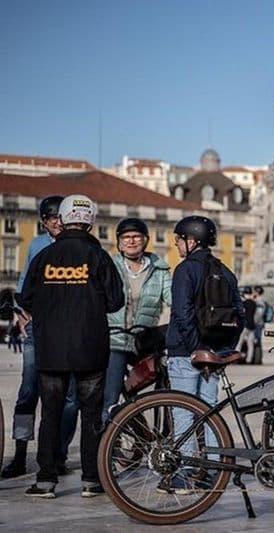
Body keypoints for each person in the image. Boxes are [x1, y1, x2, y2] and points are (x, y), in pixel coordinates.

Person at [18, 194, 124, 498]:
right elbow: (116, 300)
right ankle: (92, 479)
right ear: (91, 222)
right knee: (91, 414)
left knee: (50, 411)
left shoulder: (44, 257)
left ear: (62, 220)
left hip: (51, 349)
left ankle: (46, 480)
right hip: (90, 346)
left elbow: (25, 299)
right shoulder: (99, 256)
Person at [164, 215, 244, 493]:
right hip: (214, 355)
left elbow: (183, 312)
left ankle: (184, 473)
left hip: (186, 352)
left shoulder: (185, 270)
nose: (175, 244)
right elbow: (240, 314)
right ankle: (212, 471)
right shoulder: (225, 270)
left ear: (192, 240)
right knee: (209, 411)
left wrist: (195, 346)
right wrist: (221, 348)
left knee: (184, 412)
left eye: (178, 239)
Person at [2, 196, 79, 480]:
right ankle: (20, 455)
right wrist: (23, 313)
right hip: (38, 329)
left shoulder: (78, 244)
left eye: (60, 216)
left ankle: (58, 454)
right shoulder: (36, 245)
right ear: (43, 221)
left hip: (70, 331)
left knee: (69, 396)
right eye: (51, 218)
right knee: (28, 391)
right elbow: (23, 285)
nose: (57, 222)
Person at [102, 218, 172, 423]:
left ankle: (160, 434)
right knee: (111, 398)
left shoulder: (159, 270)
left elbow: (173, 299)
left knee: (162, 387)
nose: (131, 241)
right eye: (126, 237)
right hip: (114, 339)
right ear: (119, 242)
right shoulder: (109, 266)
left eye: (136, 237)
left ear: (145, 240)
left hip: (144, 340)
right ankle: (108, 443)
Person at [237, 287, 257, 364]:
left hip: (245, 325)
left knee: (239, 343)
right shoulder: (254, 303)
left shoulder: (243, 304)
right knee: (250, 344)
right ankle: (249, 359)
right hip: (252, 325)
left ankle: (236, 358)